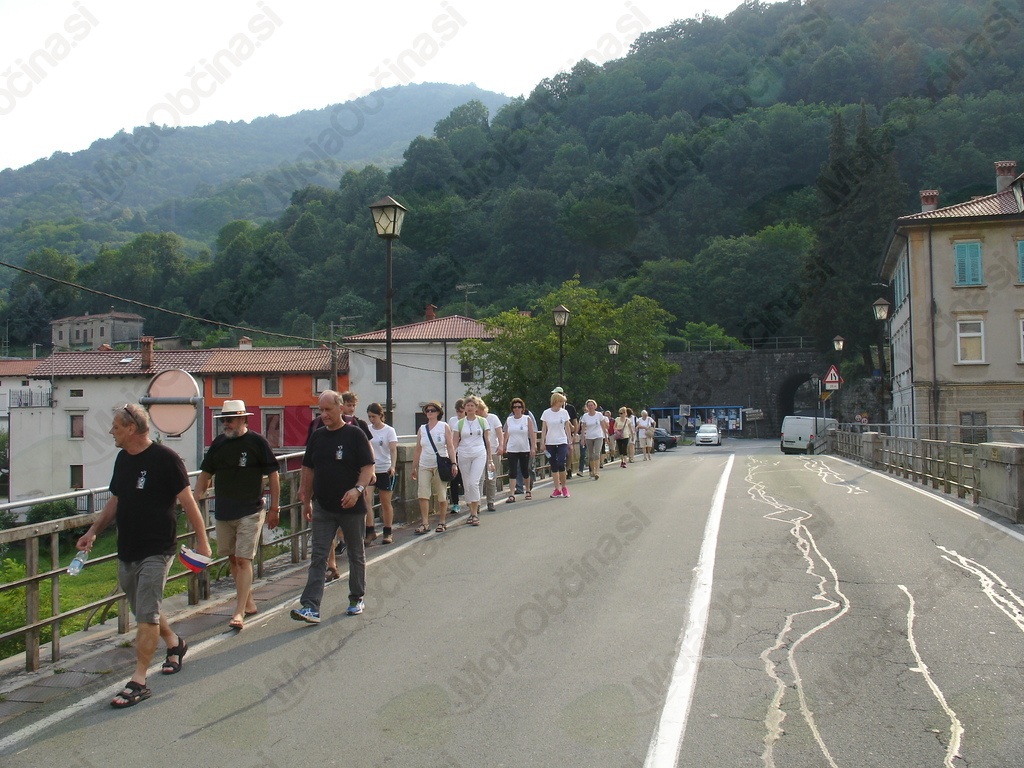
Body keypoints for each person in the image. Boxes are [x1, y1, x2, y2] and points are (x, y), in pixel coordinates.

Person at [75, 404, 211, 709]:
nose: (110, 432)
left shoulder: (166, 459)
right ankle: (175, 643)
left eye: (115, 427)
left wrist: (203, 543)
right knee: (145, 610)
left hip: (157, 549)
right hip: (128, 548)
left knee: (147, 613)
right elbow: (115, 500)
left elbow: (188, 503)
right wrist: (93, 531)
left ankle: (138, 681)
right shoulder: (123, 459)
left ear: (131, 429)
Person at [193, 400, 280, 631]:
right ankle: (248, 602)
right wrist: (194, 500)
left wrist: (275, 509)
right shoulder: (219, 444)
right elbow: (205, 474)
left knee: (243, 559)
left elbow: (273, 475)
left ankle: (238, 611)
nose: (226, 424)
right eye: (223, 420)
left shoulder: (257, 442)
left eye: (230, 419)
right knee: (232, 559)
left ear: (243, 419)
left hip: (250, 510)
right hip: (224, 511)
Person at [291, 390, 375, 624]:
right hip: (323, 506)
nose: (324, 414)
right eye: (321, 410)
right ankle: (311, 607)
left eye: (328, 410)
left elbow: (368, 467)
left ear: (340, 408)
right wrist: (306, 499)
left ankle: (356, 598)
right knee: (318, 555)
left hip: (351, 507)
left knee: (355, 553)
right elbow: (308, 468)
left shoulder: (355, 434)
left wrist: (357, 490)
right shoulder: (317, 436)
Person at [412, 401, 458, 533]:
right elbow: (418, 449)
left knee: (441, 494)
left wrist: (454, 463)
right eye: (427, 411)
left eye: (432, 410)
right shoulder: (422, 429)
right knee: (423, 494)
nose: (429, 413)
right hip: (424, 464)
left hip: (440, 464)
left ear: (438, 412)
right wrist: (414, 467)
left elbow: (450, 446)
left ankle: (442, 522)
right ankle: (425, 523)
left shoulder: (443, 426)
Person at [340, 391, 376, 547]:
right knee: (340, 505)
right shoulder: (333, 424)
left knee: (362, 502)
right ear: (341, 406)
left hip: (358, 471)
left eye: (353, 405)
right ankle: (342, 540)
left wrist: (371, 469)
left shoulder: (360, 424)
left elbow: (369, 447)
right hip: (340, 470)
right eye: (349, 405)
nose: (351, 408)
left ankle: (364, 533)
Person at [452, 395, 492, 526]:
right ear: (464, 408)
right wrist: (452, 459)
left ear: (476, 408)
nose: (469, 408)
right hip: (463, 454)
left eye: (472, 405)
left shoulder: (482, 421)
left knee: (474, 482)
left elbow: (487, 441)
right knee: (467, 484)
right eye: (467, 405)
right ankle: (471, 511)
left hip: (479, 453)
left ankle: (475, 513)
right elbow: (454, 442)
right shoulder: (459, 423)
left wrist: (490, 460)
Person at [366, 402, 397, 544]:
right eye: (369, 417)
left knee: (385, 502)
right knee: (367, 500)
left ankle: (387, 531)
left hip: (385, 469)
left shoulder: (389, 431)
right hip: (371, 470)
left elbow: (393, 450)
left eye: (374, 416)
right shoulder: (367, 430)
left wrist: (392, 466)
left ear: (380, 415)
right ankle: (370, 531)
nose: (372, 419)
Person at [502, 397, 536, 502]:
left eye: (519, 407)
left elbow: (532, 433)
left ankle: (528, 490)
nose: (517, 409)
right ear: (512, 409)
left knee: (525, 470)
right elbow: (506, 434)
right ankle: (512, 494)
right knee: (512, 472)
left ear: (522, 408)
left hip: (524, 448)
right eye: (515, 407)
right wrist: (503, 446)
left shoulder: (527, 419)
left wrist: (533, 447)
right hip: (512, 448)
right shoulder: (509, 420)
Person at [541, 391, 573, 498]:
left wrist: (569, 442)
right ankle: (556, 488)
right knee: (553, 465)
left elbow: (567, 428)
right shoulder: (546, 413)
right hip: (550, 442)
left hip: (562, 441)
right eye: (560, 402)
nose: (562, 404)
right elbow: (544, 429)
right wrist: (542, 442)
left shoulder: (564, 413)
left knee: (561, 463)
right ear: (555, 401)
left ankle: (564, 487)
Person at [479, 399, 503, 511]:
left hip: (493, 451)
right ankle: (477, 503)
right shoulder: (476, 420)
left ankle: (490, 501)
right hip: (479, 452)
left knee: (491, 477)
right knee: (479, 479)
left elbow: (499, 433)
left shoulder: (493, 418)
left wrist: (501, 445)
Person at [579, 400, 608, 480]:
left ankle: (597, 471)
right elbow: (583, 428)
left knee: (597, 454)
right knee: (590, 455)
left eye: (592, 405)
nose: (590, 407)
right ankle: (592, 471)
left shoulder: (599, 415)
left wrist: (606, 437)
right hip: (589, 437)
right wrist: (582, 438)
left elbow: (603, 426)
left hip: (598, 436)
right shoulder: (585, 416)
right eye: (589, 405)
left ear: (595, 406)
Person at [447, 399, 466, 516]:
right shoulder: (452, 421)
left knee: (464, 478)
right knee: (453, 479)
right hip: (454, 453)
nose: (459, 414)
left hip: (465, 452)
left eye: (461, 411)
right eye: (457, 411)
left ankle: (470, 499)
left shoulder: (468, 421)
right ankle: (455, 503)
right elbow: (449, 436)